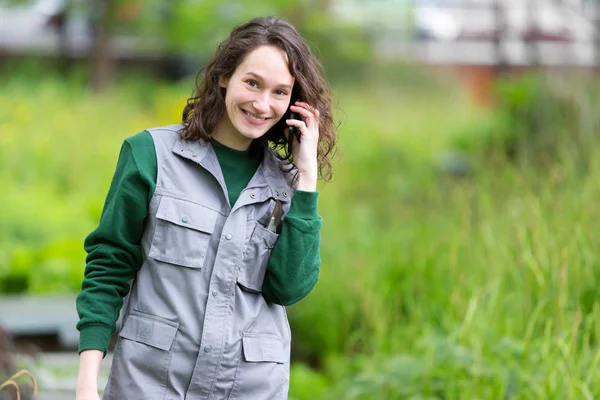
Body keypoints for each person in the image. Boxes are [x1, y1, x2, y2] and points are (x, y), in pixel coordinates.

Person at [75, 16, 337, 400]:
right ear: (224, 76)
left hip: (250, 388)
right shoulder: (150, 155)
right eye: (253, 83)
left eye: (280, 92)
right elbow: (109, 265)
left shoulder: (288, 185)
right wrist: (86, 384)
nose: (263, 104)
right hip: (150, 386)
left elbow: (289, 288)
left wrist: (307, 177)